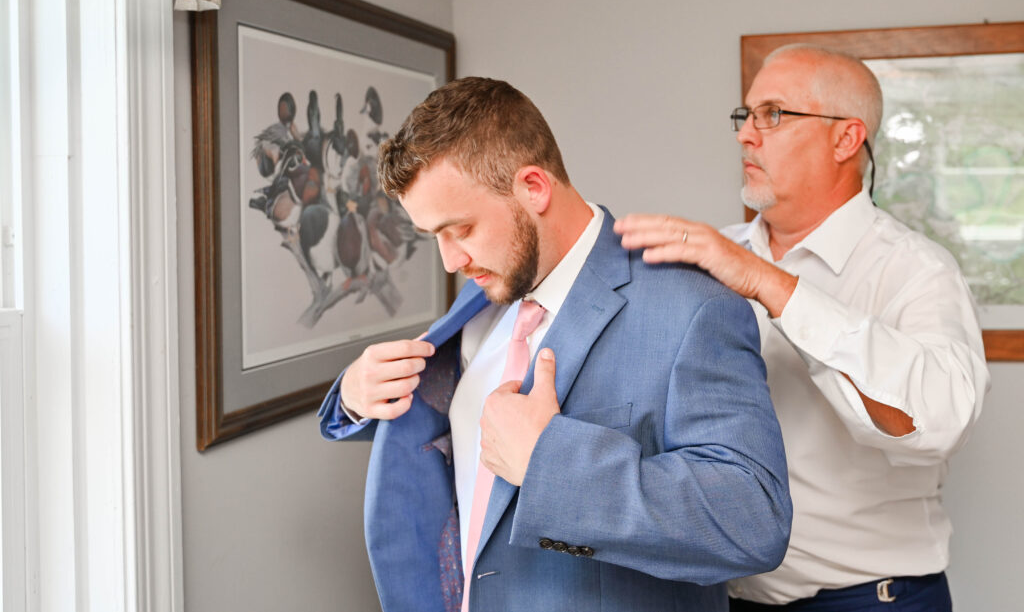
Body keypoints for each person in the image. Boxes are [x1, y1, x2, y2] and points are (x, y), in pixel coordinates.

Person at [318, 77, 792, 612]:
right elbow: (443, 427)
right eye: (436, 238)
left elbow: (753, 520)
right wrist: (357, 395)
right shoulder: (486, 292)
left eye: (463, 229)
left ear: (533, 188)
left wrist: (550, 464)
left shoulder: (693, 309)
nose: (450, 261)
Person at [615, 44, 990, 611]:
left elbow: (938, 421)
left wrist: (772, 286)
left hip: (872, 601)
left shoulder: (916, 270)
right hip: (725, 598)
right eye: (746, 116)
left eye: (774, 114)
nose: (746, 135)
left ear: (846, 139)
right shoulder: (708, 256)